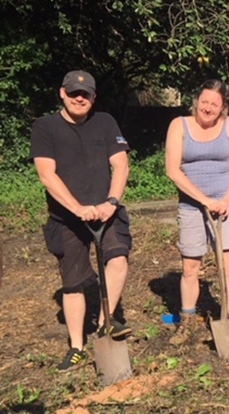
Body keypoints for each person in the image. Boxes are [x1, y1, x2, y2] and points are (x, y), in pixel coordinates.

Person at [30, 70, 133, 371]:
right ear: (61, 93)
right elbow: (46, 175)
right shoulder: (45, 127)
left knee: (118, 260)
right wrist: (77, 208)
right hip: (66, 217)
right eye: (74, 93)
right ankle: (76, 346)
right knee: (73, 283)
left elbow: (121, 166)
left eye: (85, 94)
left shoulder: (105, 122)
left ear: (93, 97)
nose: (79, 98)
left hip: (106, 211)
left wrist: (111, 202)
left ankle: (105, 324)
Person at [165, 79, 229, 345]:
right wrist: (203, 200)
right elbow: (173, 170)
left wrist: (225, 199)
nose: (208, 107)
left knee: (228, 266)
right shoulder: (179, 126)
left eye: (215, 103)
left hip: (224, 206)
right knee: (190, 266)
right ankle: (187, 322)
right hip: (192, 206)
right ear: (196, 101)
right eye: (204, 101)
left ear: (222, 107)